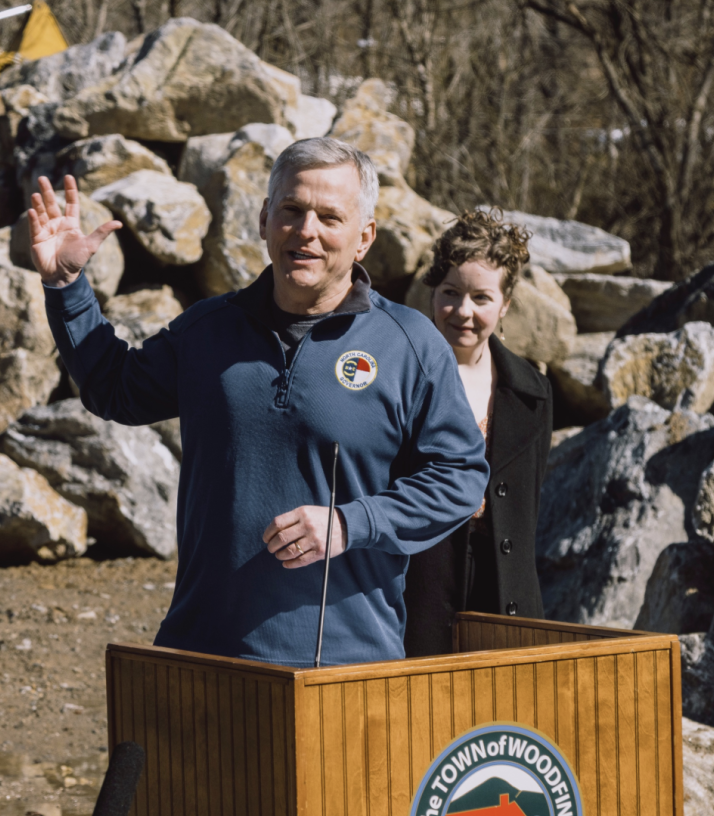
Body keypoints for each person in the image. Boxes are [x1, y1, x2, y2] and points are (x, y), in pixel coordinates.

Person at [27, 137, 489, 668]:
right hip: (200, 654)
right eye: (291, 210)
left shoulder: (409, 343)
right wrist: (66, 287)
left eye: (329, 217)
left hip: (344, 666)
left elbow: (460, 477)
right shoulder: (207, 329)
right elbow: (115, 388)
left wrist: (351, 523)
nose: (306, 231)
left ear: (364, 238)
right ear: (265, 217)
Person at [402, 210, 553, 657]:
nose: (463, 312)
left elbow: (529, 503)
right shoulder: (400, 379)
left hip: (506, 590)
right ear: (433, 293)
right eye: (450, 293)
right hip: (420, 587)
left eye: (481, 298)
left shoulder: (533, 392)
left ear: (504, 305)